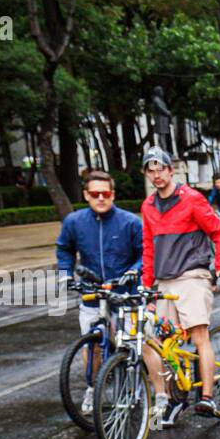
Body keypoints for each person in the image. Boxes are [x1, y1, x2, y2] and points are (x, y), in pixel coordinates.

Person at [139, 146, 220, 426]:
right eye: (150, 170)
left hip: (192, 276)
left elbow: (219, 231)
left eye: (161, 169)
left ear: (171, 170)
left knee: (198, 335)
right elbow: (147, 249)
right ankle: (174, 398)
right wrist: (147, 288)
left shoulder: (192, 199)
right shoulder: (148, 206)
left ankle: (206, 396)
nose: (156, 175)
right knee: (162, 345)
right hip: (164, 281)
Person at [55, 169, 143, 415]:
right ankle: (93, 387)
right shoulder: (74, 222)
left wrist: (135, 271)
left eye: (106, 193)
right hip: (92, 296)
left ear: (113, 194)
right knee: (93, 346)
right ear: (86, 195)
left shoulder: (130, 222)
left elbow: (144, 253)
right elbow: (64, 248)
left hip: (125, 295)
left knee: (128, 345)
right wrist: (65, 273)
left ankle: (132, 387)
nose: (101, 198)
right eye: (95, 194)